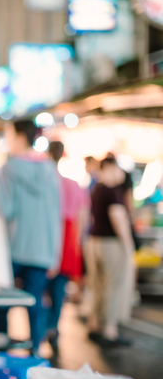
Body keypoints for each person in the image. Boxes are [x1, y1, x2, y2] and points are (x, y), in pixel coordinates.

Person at [0, 120, 61, 355]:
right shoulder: (50, 170)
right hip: (42, 251)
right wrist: (55, 254)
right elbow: (56, 216)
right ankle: (34, 356)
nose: (6, 140)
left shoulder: (8, 169)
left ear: (21, 137)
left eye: (8, 135)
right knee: (35, 305)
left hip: (13, 248)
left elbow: (6, 209)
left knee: (4, 305)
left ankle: (1, 357)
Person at [45, 141, 90, 353]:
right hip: (68, 238)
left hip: (48, 235)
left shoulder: (47, 180)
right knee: (59, 288)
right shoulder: (72, 184)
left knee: (43, 286)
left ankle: (45, 325)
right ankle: (54, 326)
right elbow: (82, 215)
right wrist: (78, 241)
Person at [84, 157, 134, 346]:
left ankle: (94, 325)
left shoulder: (97, 189)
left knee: (97, 286)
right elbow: (118, 218)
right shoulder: (112, 192)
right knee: (114, 286)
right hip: (111, 244)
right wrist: (128, 245)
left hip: (94, 241)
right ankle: (109, 330)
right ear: (110, 167)